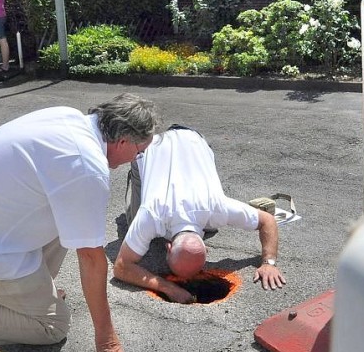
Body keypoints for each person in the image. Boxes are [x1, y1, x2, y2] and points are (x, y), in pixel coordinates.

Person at [0, 93, 159, 352]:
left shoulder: (67, 116)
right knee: (52, 326)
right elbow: (92, 259)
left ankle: (25, 296)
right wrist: (106, 338)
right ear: (122, 141)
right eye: (139, 151)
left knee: (74, 220)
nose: (138, 158)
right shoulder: (86, 167)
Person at [113, 126, 285, 304]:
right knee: (132, 221)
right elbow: (121, 267)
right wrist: (168, 287)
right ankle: (136, 175)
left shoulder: (217, 207)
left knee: (212, 226)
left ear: (169, 246)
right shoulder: (150, 214)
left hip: (195, 140)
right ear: (168, 247)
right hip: (151, 145)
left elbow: (267, 220)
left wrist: (269, 263)